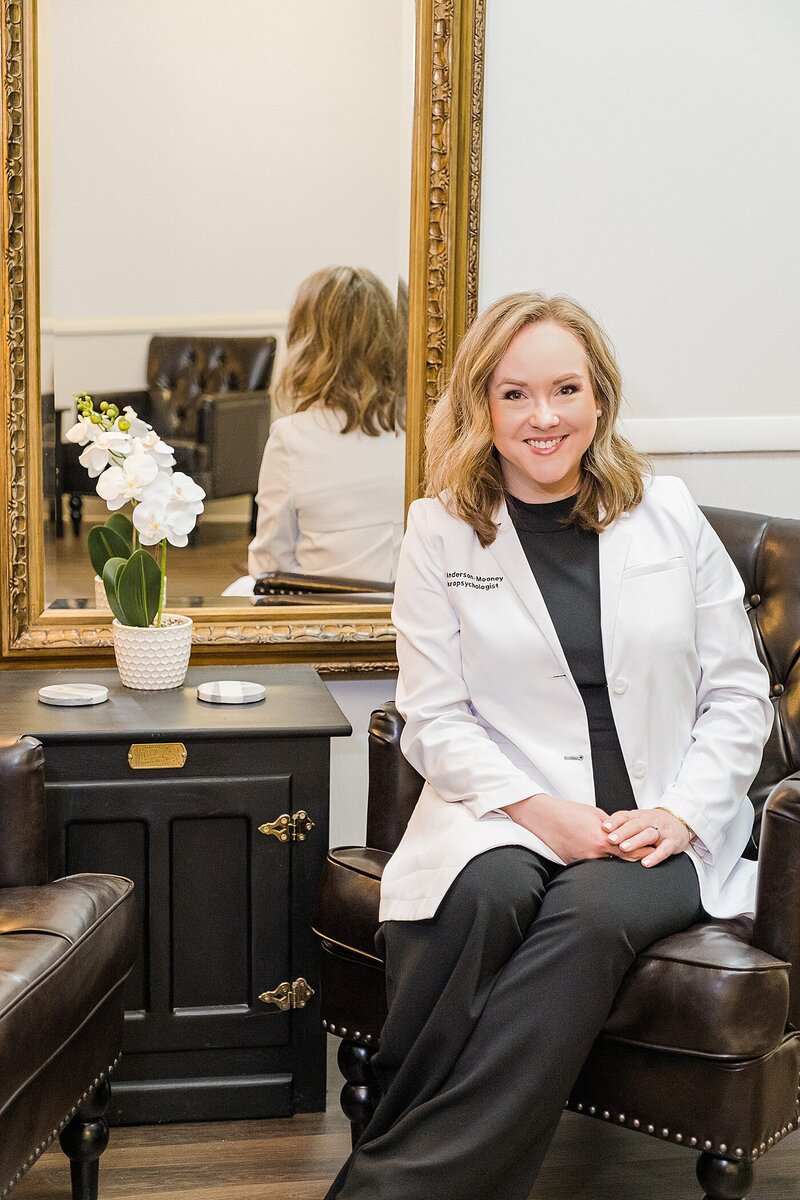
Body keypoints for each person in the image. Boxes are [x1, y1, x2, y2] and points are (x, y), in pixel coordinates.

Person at [324, 292, 773, 1200]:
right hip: (506, 810)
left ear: (598, 400)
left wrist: (681, 814)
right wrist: (540, 814)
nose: (543, 417)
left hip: (659, 825)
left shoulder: (669, 514)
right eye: (515, 393)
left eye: (565, 389)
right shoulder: (438, 528)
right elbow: (435, 715)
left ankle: (388, 1186)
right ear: (482, 407)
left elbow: (738, 694)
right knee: (478, 896)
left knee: (590, 916)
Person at [235, 266, 405, 592]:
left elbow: (270, 568)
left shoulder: (291, 437)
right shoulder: (420, 428)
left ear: (305, 341)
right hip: (405, 611)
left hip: (321, 613)